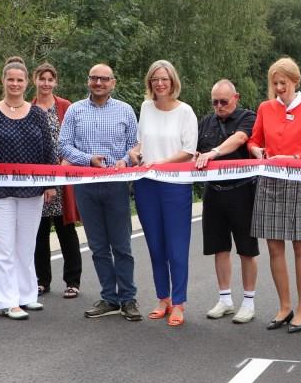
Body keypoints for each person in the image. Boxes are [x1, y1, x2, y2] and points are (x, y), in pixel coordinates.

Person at [0, 57, 56, 320]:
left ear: (27, 83)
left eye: (20, 80)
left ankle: (26, 294)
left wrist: (51, 184)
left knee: (25, 246)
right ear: (3, 81)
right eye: (10, 79)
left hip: (31, 191)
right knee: (1, 247)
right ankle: (6, 300)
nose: (15, 84)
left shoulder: (38, 114)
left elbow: (49, 151)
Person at [59, 64, 140, 321]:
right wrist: (87, 159)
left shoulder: (125, 110)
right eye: (94, 78)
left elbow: (135, 146)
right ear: (88, 81)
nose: (98, 83)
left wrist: (124, 161)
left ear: (113, 82)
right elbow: (64, 145)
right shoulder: (75, 110)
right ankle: (109, 298)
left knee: (122, 245)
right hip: (85, 185)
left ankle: (128, 298)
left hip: (116, 185)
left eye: (104, 79)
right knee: (97, 246)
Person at [248, 57, 301, 333]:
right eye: (275, 83)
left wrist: (289, 158)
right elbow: (254, 140)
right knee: (274, 247)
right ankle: (284, 306)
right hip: (269, 180)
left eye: (283, 83)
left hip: (298, 180)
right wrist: (256, 150)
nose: (279, 88)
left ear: (295, 81)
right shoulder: (265, 108)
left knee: (300, 247)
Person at [128, 60, 197, 328]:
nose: (159, 83)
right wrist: (135, 152)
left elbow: (189, 150)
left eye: (164, 79)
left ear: (172, 82)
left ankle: (179, 302)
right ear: (150, 82)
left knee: (176, 248)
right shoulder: (146, 108)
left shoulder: (185, 111)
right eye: (155, 79)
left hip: (175, 185)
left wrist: (161, 164)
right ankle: (163, 299)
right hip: (147, 184)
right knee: (156, 246)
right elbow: (140, 142)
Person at [194, 80, 260, 324]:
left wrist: (214, 152)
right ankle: (225, 299)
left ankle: (249, 302)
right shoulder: (205, 122)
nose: (219, 106)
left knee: (246, 249)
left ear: (236, 98)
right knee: (219, 247)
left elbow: (240, 139)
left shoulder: (247, 117)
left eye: (223, 101)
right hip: (214, 191)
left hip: (242, 191)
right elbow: (195, 150)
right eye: (215, 102)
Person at [31, 62, 83, 301]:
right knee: (39, 232)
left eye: (50, 79)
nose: (46, 83)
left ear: (55, 82)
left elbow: (75, 140)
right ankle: (42, 281)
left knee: (66, 231)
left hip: (62, 176)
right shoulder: (28, 108)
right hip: (38, 179)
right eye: (42, 79)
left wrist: (62, 168)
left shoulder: (66, 107)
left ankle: (72, 281)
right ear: (35, 80)